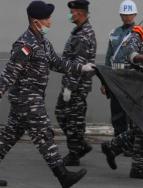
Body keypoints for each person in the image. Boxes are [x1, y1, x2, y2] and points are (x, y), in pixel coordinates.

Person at [0, 1, 95, 187]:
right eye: (47, 18)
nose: (50, 21)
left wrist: (81, 68)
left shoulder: (42, 42)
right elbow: (10, 73)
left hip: (29, 100)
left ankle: (63, 175)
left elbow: (58, 64)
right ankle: (63, 176)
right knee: (44, 135)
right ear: (36, 21)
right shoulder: (25, 44)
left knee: (7, 139)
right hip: (27, 100)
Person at [101, 8, 143, 180]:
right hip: (134, 91)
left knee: (142, 128)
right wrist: (141, 58)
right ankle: (136, 166)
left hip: (140, 90)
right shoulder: (135, 36)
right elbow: (131, 54)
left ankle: (114, 148)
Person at [54, 0, 97, 166]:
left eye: (73, 12)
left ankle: (74, 153)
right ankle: (80, 146)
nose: (71, 15)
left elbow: (79, 62)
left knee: (73, 120)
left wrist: (70, 88)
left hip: (77, 85)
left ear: (79, 13)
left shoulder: (84, 34)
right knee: (62, 114)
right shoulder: (78, 31)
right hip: (72, 83)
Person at [101, 0, 137, 139]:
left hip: (130, 78)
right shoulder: (114, 33)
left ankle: (130, 143)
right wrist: (104, 81)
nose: (126, 17)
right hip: (115, 78)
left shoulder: (138, 33)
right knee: (116, 111)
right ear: (120, 15)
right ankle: (118, 142)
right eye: (124, 14)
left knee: (131, 113)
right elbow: (108, 58)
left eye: (129, 14)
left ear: (135, 14)